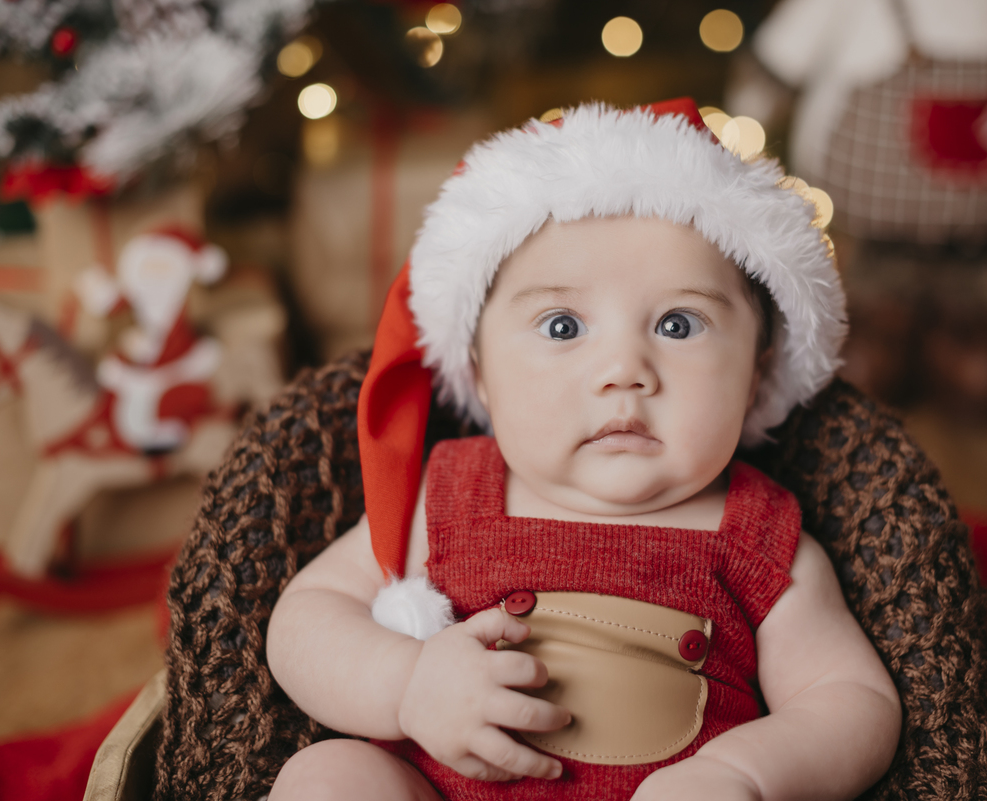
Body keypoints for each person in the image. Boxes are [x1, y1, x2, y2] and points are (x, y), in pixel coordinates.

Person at [265, 99, 901, 801]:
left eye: (679, 324)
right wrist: (406, 684)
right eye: (562, 326)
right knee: (329, 776)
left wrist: (741, 773)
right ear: (480, 372)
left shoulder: (762, 540)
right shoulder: (447, 496)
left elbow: (851, 700)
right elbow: (307, 618)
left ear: (756, 373)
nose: (623, 370)